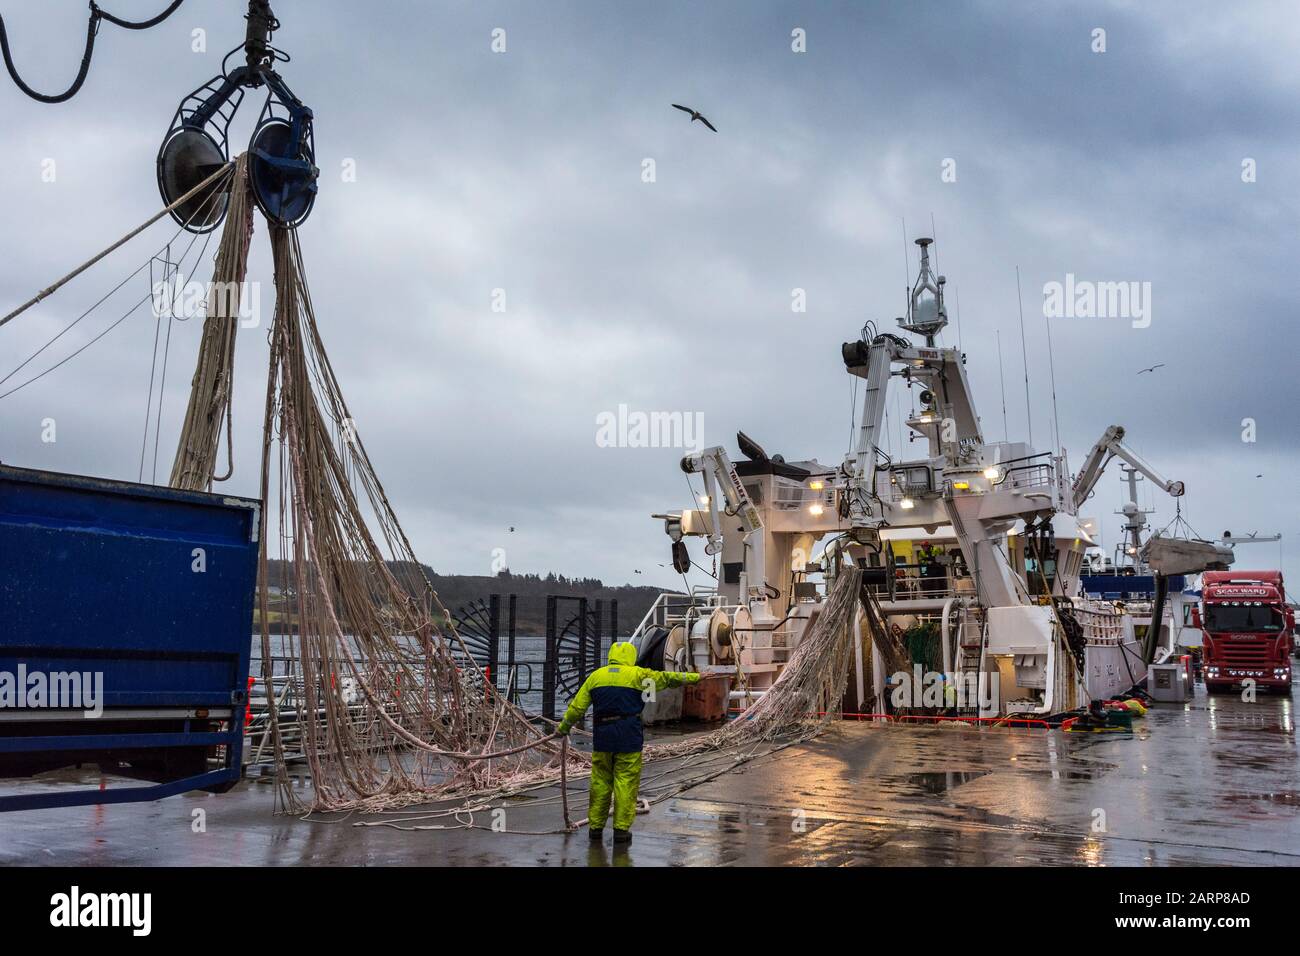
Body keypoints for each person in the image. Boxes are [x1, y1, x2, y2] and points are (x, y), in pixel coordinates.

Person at [555, 641, 700, 845]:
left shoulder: (596, 676)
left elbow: (577, 708)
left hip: (602, 737)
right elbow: (669, 678)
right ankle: (621, 831)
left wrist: (563, 728)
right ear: (631, 657)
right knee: (626, 782)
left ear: (612, 655)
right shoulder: (639, 675)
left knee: (600, 782)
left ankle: (595, 829)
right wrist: (697, 677)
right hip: (628, 735)